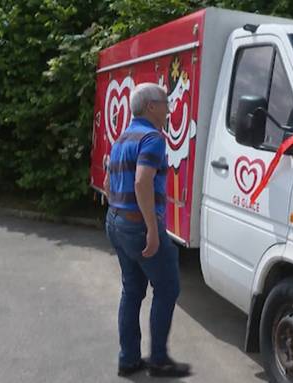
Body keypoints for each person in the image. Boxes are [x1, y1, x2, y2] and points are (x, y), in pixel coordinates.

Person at [104, 83, 191, 378]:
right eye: (165, 103)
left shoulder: (123, 137)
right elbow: (142, 182)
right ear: (151, 107)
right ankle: (158, 361)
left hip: (115, 220)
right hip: (138, 226)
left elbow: (108, 183)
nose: (169, 109)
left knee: (132, 291)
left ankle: (128, 359)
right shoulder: (153, 138)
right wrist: (152, 230)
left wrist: (121, 216)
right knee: (167, 288)